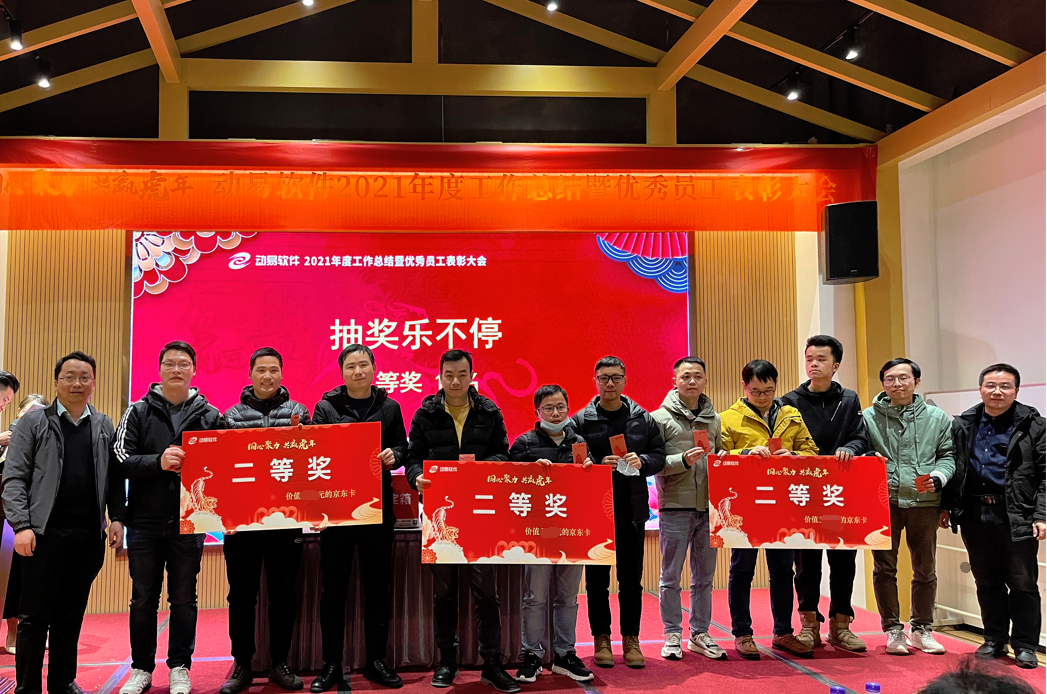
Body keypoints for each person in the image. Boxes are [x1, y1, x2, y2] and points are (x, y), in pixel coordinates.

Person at [2, 352, 124, 694]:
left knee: (70, 615)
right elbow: (13, 478)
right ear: (56, 382)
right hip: (42, 536)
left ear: (93, 383)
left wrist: (117, 517)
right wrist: (22, 526)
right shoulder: (33, 423)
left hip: (87, 536)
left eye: (84, 377)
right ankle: (27, 688)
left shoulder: (103, 425)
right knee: (34, 617)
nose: (76, 383)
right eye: (69, 376)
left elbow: (113, 478)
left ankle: (62, 682)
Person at [406, 350, 517, 693]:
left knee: (487, 594)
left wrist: (483, 469)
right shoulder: (425, 414)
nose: (455, 381)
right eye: (449, 375)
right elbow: (413, 458)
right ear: (440, 376)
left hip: (481, 512)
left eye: (462, 374)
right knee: (445, 594)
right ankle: (447, 661)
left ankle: (492, 663)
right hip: (439, 512)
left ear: (472, 375)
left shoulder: (489, 411)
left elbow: (503, 453)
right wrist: (415, 477)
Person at [114, 341, 222, 694]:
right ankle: (141, 668)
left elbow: (226, 463)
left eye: (184, 364)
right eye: (170, 363)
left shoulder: (211, 415)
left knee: (184, 598)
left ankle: (179, 667)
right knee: (143, 598)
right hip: (144, 521)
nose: (177, 369)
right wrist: (157, 462)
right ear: (159, 369)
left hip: (191, 521)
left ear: (194, 370)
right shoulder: (137, 411)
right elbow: (119, 459)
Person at [309, 344, 408, 692]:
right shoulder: (326, 408)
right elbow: (316, 450)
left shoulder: (390, 407)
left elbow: (403, 446)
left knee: (377, 588)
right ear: (342, 372)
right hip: (337, 510)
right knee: (333, 590)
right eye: (351, 366)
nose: (358, 371)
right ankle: (331, 663)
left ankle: (376, 660)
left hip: (377, 510)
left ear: (374, 368)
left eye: (363, 365)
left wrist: (394, 455)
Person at [219, 347, 312, 694]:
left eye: (274, 370)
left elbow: (312, 464)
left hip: (285, 522)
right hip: (242, 523)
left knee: (283, 595)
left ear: (282, 374)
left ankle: (280, 663)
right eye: (261, 370)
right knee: (241, 597)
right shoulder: (230, 417)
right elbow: (222, 469)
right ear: (250, 374)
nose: (267, 376)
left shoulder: (300, 413)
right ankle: (242, 664)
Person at [943, 363, 1044, 669]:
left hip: (1016, 513)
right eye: (991, 385)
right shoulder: (964, 424)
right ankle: (994, 639)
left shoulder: (1035, 425)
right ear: (980, 389)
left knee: (1023, 583)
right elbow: (954, 466)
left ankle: (1025, 644)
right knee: (986, 581)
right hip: (974, 513)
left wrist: (1041, 515)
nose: (997, 391)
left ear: (1016, 390)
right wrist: (947, 506)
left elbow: (1045, 474)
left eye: (1005, 386)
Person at [720, 359, 818, 660]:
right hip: (745, 504)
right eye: (756, 391)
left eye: (769, 391)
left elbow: (812, 452)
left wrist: (795, 455)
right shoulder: (728, 418)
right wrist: (745, 452)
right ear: (744, 387)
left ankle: (783, 632)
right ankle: (742, 633)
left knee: (783, 570)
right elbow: (719, 456)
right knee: (742, 569)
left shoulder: (791, 414)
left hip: (783, 504)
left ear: (776, 386)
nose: (762, 397)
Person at [571, 356, 665, 669]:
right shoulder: (580, 420)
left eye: (615, 377)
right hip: (596, 513)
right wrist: (596, 466)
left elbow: (659, 455)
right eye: (604, 378)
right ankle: (601, 638)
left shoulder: (643, 418)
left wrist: (644, 462)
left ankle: (631, 639)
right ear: (595, 381)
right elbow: (572, 459)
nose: (609, 383)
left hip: (632, 509)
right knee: (596, 581)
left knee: (631, 580)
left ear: (625, 380)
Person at [780, 336, 868, 652]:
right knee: (806, 562)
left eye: (821, 359)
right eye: (809, 359)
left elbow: (861, 438)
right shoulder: (789, 401)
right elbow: (782, 441)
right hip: (804, 493)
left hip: (839, 493)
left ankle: (841, 626)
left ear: (836, 365)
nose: (814, 364)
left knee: (843, 559)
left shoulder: (849, 399)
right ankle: (809, 625)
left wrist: (850, 448)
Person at [863, 357, 955, 656]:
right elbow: (859, 449)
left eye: (904, 378)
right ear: (883, 383)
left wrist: (940, 476)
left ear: (917, 381)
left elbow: (948, 455)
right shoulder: (868, 417)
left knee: (925, 568)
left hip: (924, 502)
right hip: (883, 502)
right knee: (884, 569)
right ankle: (892, 629)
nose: (897, 384)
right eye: (890, 379)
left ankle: (922, 629)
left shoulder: (937, 418)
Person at [509, 385, 594, 684]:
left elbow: (590, 486)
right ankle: (531, 655)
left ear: (568, 408)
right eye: (548, 408)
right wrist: (529, 470)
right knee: (535, 597)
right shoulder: (524, 443)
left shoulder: (579, 442)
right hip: (536, 533)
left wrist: (590, 469)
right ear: (537, 411)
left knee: (568, 597)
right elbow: (507, 482)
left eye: (560, 407)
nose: (556, 413)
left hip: (572, 531)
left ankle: (564, 654)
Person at [652, 357, 726, 662]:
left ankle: (700, 634)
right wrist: (682, 460)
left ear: (705, 381)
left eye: (697, 376)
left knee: (704, 578)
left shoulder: (715, 419)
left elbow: (720, 453)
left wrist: (723, 458)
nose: (692, 381)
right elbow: (653, 463)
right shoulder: (659, 418)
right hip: (675, 508)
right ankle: (672, 633)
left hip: (709, 508)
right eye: (686, 376)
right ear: (675, 381)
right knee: (670, 577)